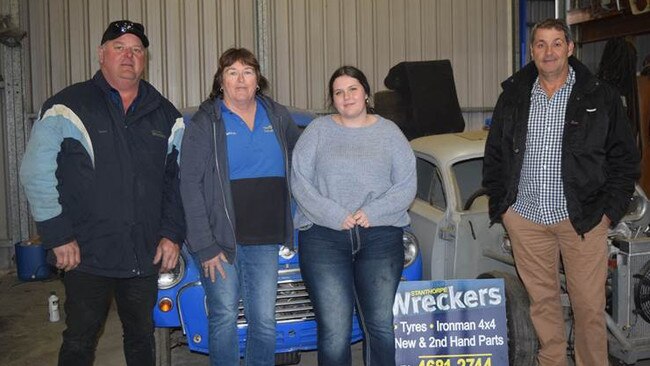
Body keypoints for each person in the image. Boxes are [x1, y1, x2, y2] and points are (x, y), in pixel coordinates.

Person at [19, 20, 185, 366]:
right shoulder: (67, 106)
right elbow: (35, 171)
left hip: (143, 253)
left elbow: (179, 181)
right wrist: (58, 235)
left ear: (145, 59)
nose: (129, 56)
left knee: (141, 339)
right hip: (83, 252)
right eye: (119, 47)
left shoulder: (166, 114)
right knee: (80, 339)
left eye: (137, 50)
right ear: (101, 54)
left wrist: (171, 233)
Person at [483, 18, 639, 366]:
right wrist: (503, 206)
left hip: (581, 219)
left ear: (570, 48)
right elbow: (494, 154)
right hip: (527, 218)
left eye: (556, 43)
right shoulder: (513, 96)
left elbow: (625, 160)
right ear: (533, 51)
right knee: (542, 303)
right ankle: (551, 361)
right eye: (541, 44)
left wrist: (608, 211)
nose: (548, 51)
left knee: (588, 307)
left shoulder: (600, 95)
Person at [180, 47, 300, 366]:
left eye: (247, 71)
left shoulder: (277, 115)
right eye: (232, 72)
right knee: (223, 317)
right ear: (221, 81)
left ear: (258, 79)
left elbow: (302, 161)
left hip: (265, 237)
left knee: (264, 321)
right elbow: (189, 185)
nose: (240, 79)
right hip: (219, 241)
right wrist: (204, 245)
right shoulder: (206, 122)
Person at [291, 66, 416, 366]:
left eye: (352, 89)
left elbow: (407, 185)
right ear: (332, 99)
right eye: (338, 92)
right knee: (335, 330)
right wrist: (334, 214)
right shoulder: (317, 132)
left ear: (366, 93)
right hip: (324, 238)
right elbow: (300, 182)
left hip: (380, 237)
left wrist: (372, 212)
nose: (346, 97)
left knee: (381, 328)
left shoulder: (390, 133)